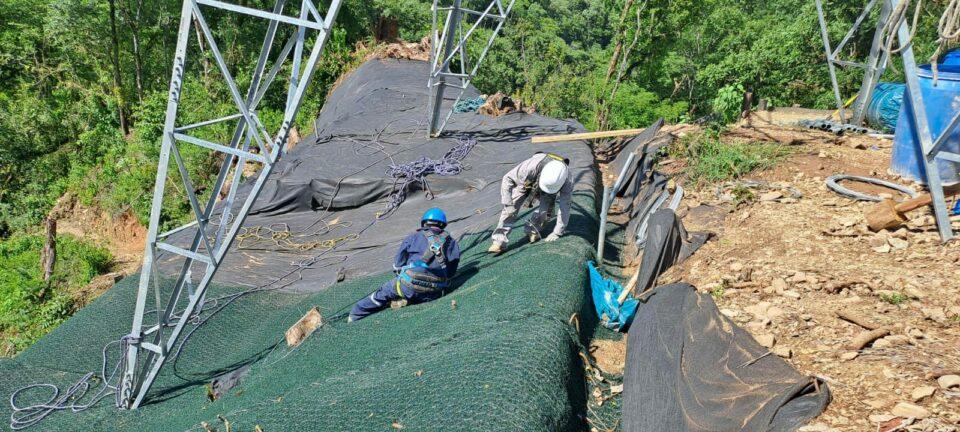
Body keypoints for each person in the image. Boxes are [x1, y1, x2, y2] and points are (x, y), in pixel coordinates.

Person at [349, 208, 461, 322]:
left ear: (424, 223)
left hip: (409, 288)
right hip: (435, 292)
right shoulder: (451, 242)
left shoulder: (413, 237)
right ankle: (409, 299)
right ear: (443, 225)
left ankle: (355, 315)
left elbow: (398, 265)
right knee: (417, 289)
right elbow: (451, 272)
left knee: (383, 293)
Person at [488, 152, 572, 254]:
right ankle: (498, 241)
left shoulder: (567, 180)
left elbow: (565, 206)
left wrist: (557, 232)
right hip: (527, 180)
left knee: (545, 212)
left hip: (549, 188)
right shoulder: (530, 167)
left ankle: (533, 231)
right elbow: (507, 179)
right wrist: (508, 203)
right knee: (511, 207)